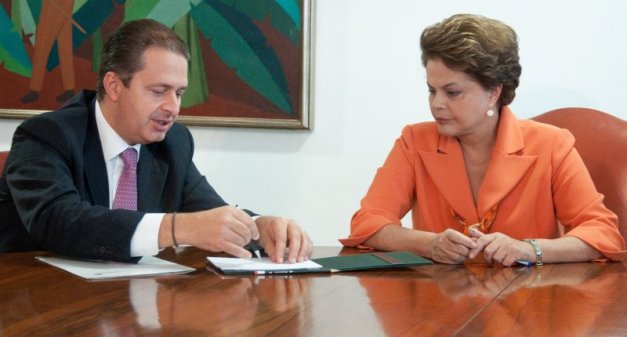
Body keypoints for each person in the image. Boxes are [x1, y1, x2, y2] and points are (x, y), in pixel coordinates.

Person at [0, 19, 312, 263]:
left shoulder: (172, 143)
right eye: (158, 91)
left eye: (178, 93)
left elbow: (209, 212)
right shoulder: (46, 135)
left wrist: (258, 226)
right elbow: (58, 221)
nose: (173, 108)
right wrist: (175, 229)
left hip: (130, 305)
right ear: (114, 85)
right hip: (40, 303)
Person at [340, 14, 626, 266]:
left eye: (452, 92)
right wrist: (428, 244)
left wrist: (529, 249)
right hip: (438, 307)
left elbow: (601, 232)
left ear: (493, 91)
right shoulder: (415, 141)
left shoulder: (551, 144)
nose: (436, 104)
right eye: (431, 90)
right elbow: (368, 222)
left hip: (530, 308)